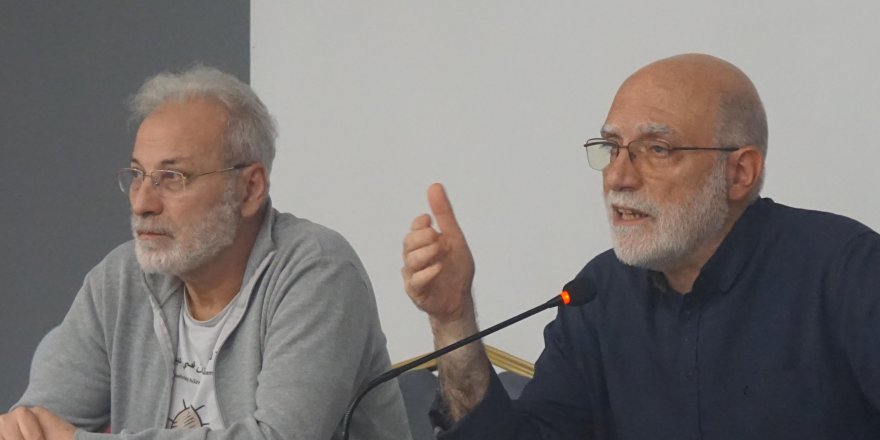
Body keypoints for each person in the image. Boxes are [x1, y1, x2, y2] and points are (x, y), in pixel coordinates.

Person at [401, 53, 880, 439]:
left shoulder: (847, 273)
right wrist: (453, 320)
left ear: (740, 173)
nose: (618, 177)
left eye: (657, 149)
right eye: (611, 147)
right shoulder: (597, 296)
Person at [1, 66, 411, 440]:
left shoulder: (317, 271)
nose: (142, 202)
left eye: (172, 177)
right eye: (137, 175)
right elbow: (32, 425)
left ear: (249, 188)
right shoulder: (120, 281)